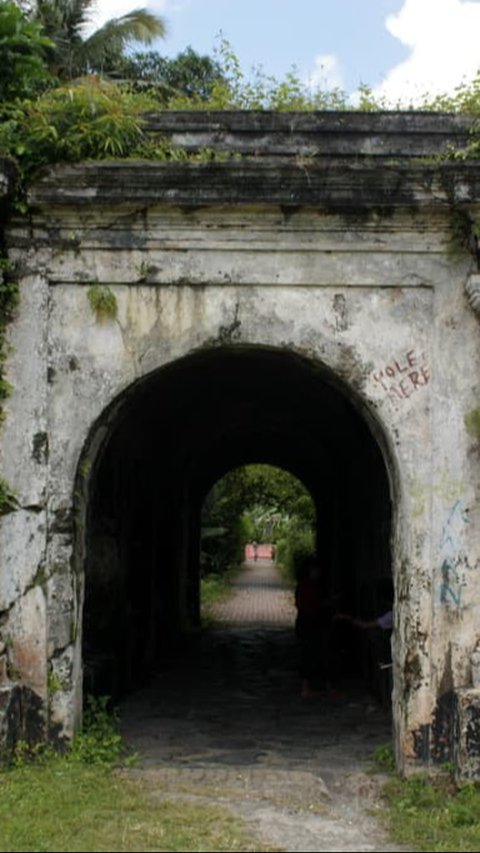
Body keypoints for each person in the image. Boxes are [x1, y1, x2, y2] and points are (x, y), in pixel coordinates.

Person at [294, 555, 340, 699]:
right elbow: (312, 605)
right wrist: (329, 603)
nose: (317, 572)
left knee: (311, 655)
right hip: (311, 624)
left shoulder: (305, 585)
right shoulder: (308, 586)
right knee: (315, 655)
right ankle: (312, 687)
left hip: (307, 623)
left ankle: (313, 686)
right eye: (315, 570)